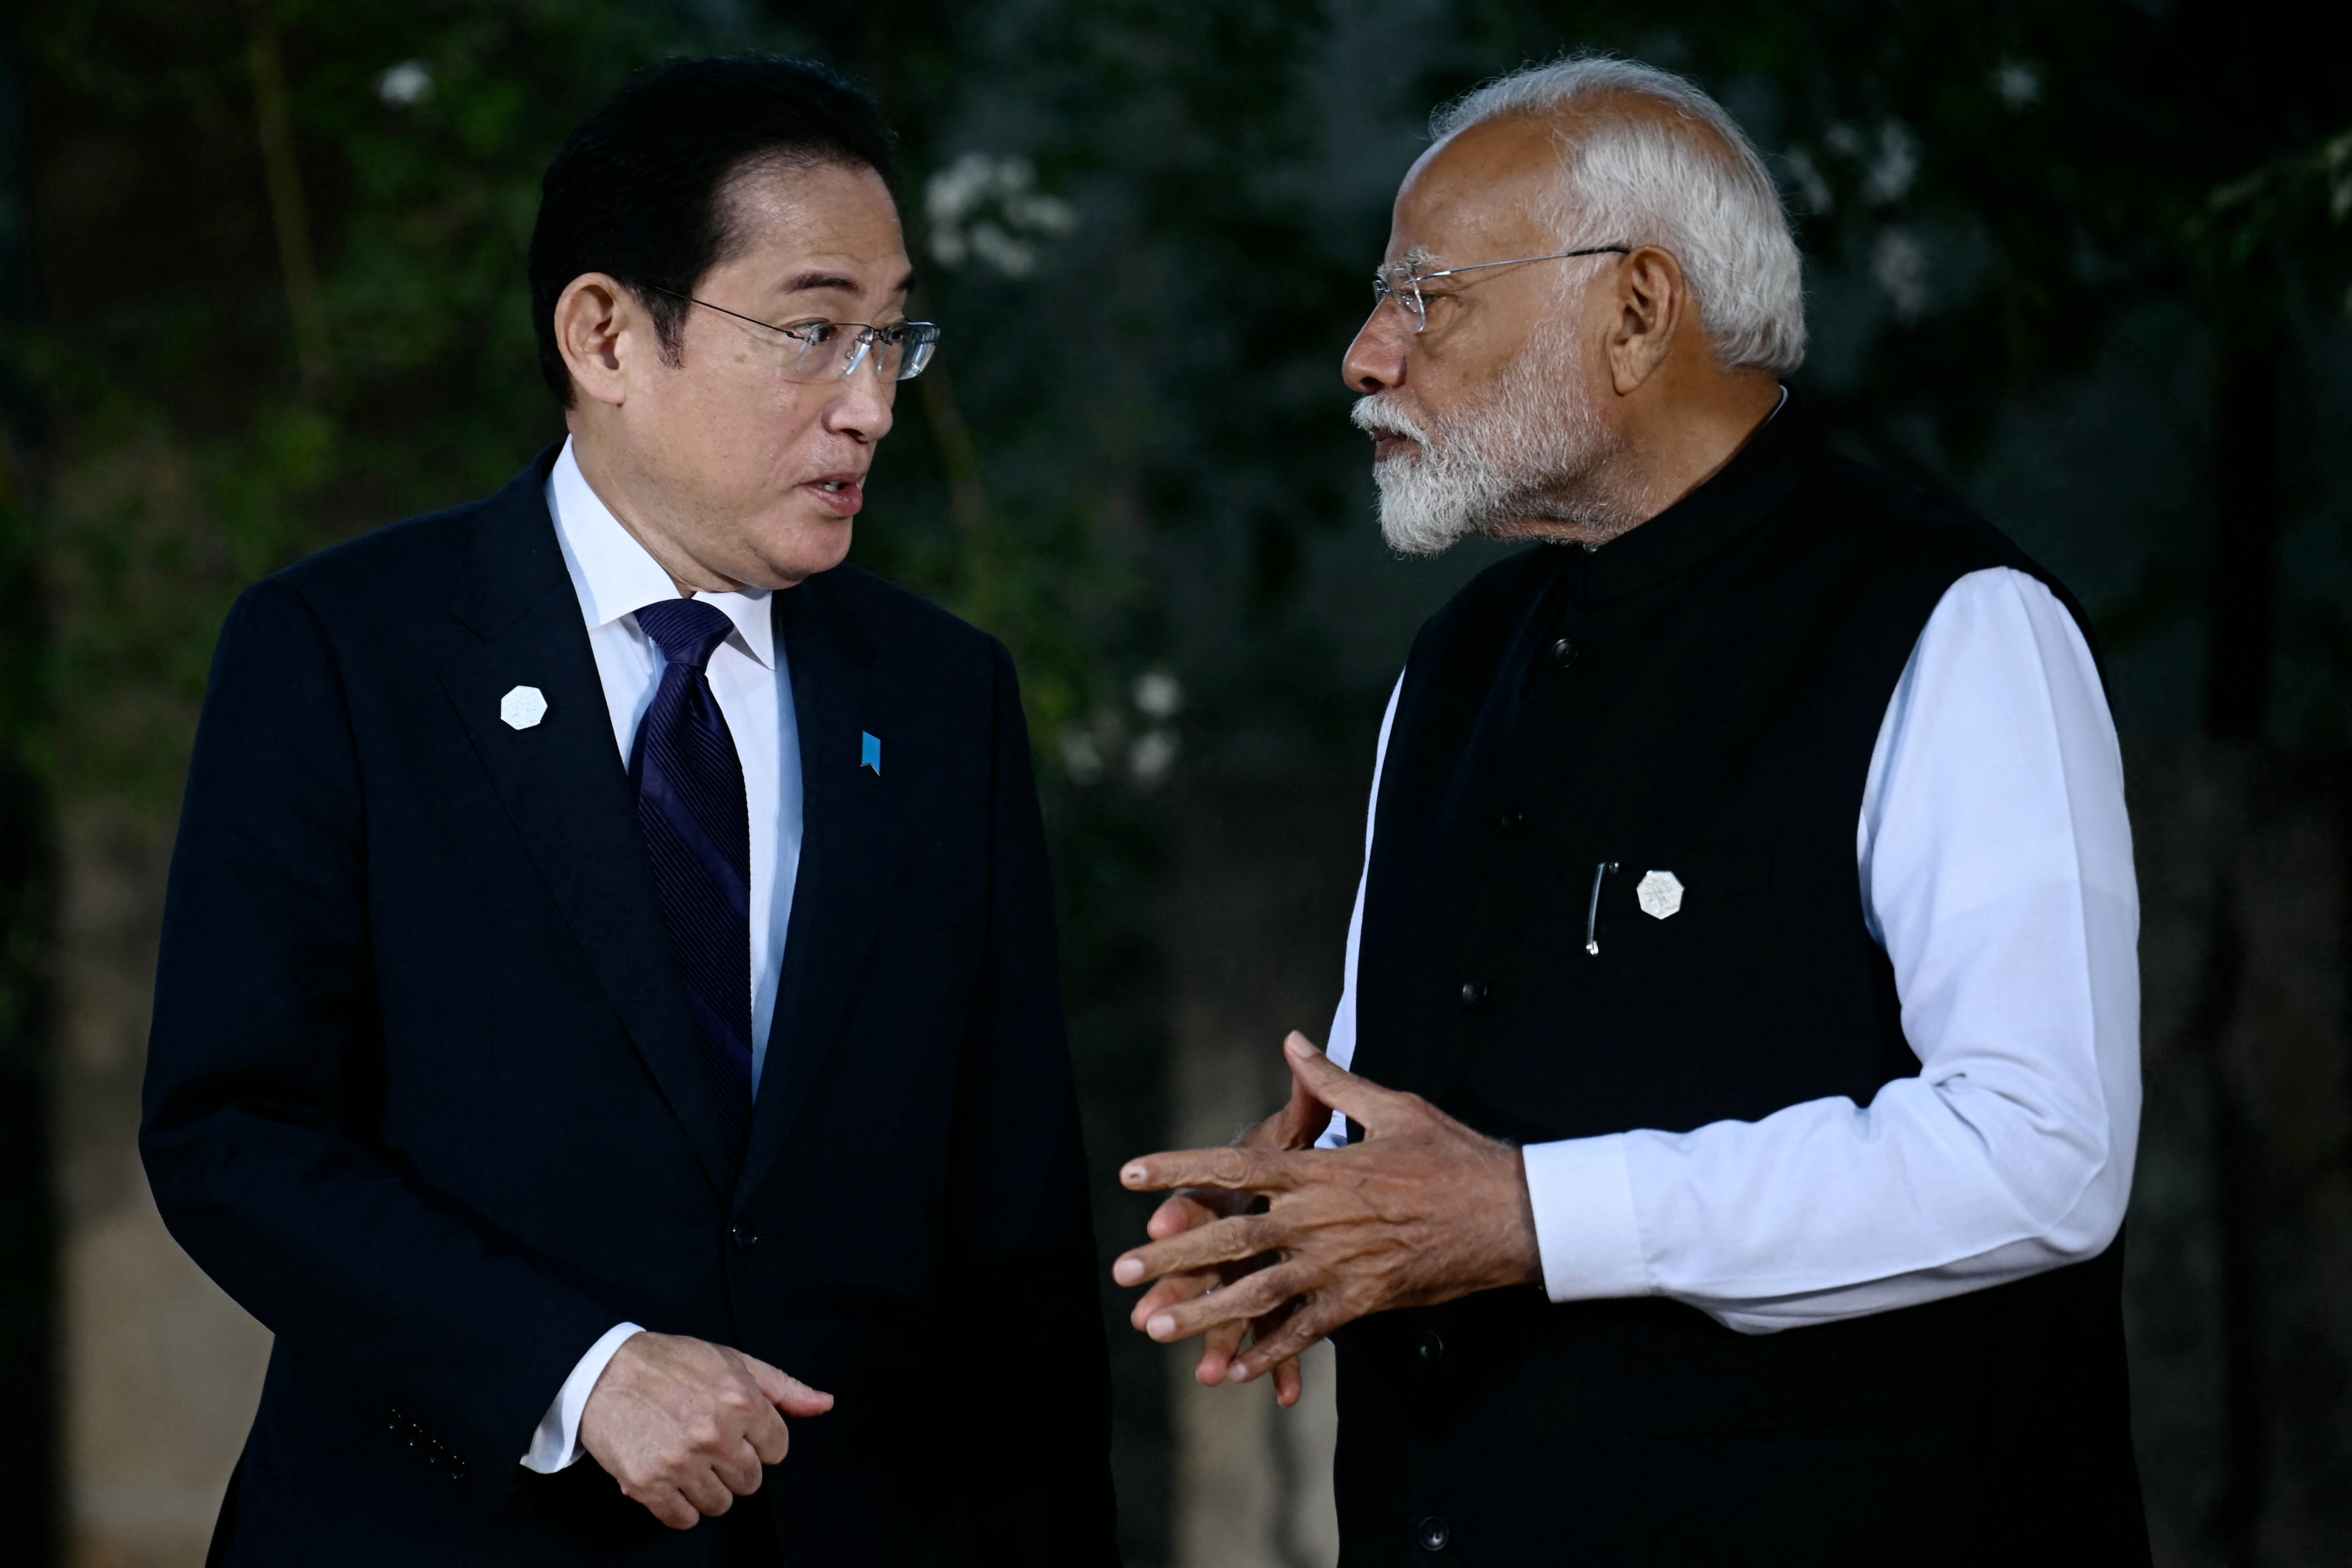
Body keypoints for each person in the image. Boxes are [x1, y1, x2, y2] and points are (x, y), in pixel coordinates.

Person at [1113, 55, 2147, 1565]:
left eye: (1425, 299)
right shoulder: (1457, 665)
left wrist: (1531, 1216)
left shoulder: (1952, 626)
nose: (1364, 356)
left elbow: (2045, 1156)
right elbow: (1415, 1126)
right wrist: (1308, 1222)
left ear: (1639, 310)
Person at [141, 55, 1115, 1566]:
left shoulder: (941, 699)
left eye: (890, 338)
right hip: (446, 1525)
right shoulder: (349, 653)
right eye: (811, 333)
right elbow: (235, 1131)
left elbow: (1018, 1233)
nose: (867, 407)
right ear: (605, 333)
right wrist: (577, 1367)